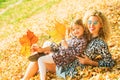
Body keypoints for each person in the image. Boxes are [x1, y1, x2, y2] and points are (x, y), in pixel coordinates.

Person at [56, 9, 115, 79]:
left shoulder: (100, 43)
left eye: (95, 23)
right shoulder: (86, 35)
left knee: (41, 60)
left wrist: (90, 62)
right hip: (67, 59)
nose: (91, 25)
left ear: (101, 25)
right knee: (45, 51)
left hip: (72, 69)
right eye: (89, 22)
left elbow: (110, 62)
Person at [21, 19, 88, 80]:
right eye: (73, 29)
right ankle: (41, 52)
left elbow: (74, 55)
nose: (75, 31)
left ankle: (41, 58)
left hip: (63, 61)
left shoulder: (82, 41)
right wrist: (43, 49)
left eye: (78, 28)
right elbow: (58, 46)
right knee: (47, 43)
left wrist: (66, 47)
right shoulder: (73, 38)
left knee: (39, 59)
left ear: (83, 28)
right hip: (61, 54)